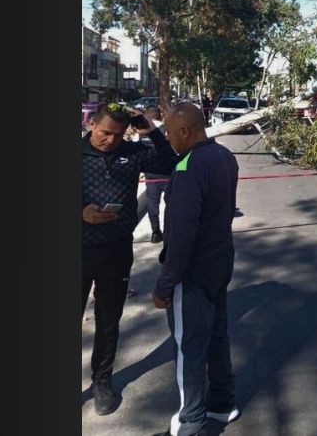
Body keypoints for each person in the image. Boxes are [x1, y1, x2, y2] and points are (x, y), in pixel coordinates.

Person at [150, 102, 241, 435]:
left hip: (194, 270)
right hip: (221, 260)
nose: (171, 140)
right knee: (216, 334)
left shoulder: (188, 167)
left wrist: (165, 284)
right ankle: (222, 403)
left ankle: (190, 423)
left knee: (189, 346)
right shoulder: (224, 157)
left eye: (172, 133)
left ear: (185, 131)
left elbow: (183, 233)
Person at [82, 102, 176, 416]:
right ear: (91, 123)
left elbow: (170, 163)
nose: (110, 139)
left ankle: (102, 380)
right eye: (105, 132)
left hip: (116, 251)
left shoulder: (132, 153)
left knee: (109, 321)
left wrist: (150, 129)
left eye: (118, 134)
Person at [142, 106, 168, 244]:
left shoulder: (140, 131)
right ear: (159, 115)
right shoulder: (165, 129)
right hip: (167, 173)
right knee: (171, 203)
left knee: (152, 203)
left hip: (150, 174)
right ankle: (171, 230)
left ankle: (155, 232)